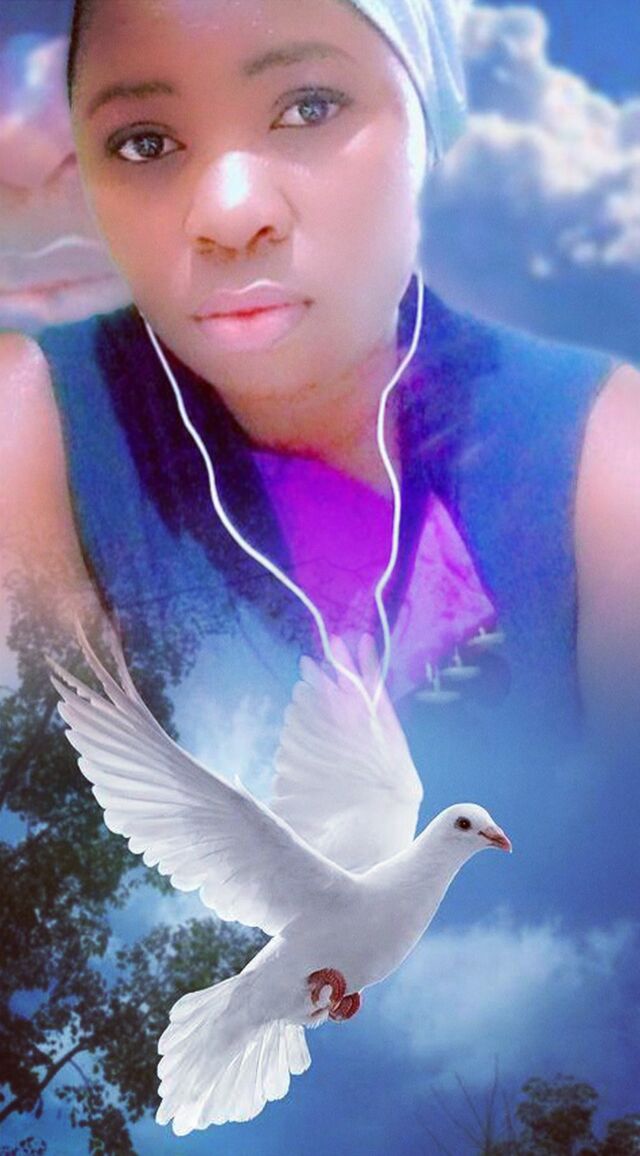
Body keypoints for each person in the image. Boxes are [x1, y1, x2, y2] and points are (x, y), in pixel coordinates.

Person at [1, 0, 638, 1143]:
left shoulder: (599, 459)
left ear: (427, 118)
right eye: (144, 141)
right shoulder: (35, 432)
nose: (230, 212)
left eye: (309, 106)